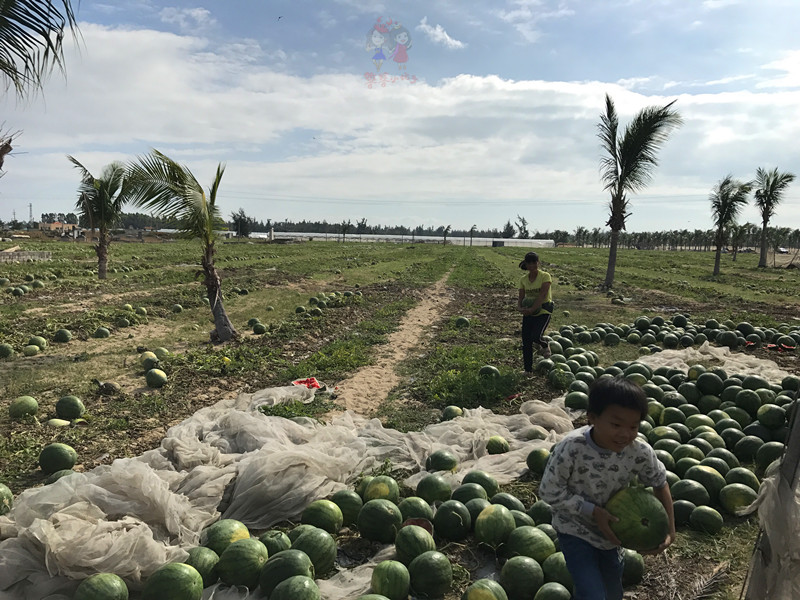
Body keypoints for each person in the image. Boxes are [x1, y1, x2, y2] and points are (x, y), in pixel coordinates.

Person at [538, 377, 676, 600]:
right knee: (592, 593)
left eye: (633, 426)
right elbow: (548, 491)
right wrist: (592, 511)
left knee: (612, 591)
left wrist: (669, 529)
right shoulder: (572, 448)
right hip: (575, 529)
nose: (625, 434)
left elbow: (660, 482)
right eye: (616, 425)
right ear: (592, 418)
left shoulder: (638, 451)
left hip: (613, 535)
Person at [517, 251, 553, 374]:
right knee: (526, 341)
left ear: (538, 263)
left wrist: (532, 309)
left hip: (543, 309)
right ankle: (528, 370)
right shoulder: (523, 279)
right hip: (529, 311)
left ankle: (544, 344)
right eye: (529, 263)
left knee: (535, 336)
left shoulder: (545, 276)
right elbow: (521, 296)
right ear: (526, 264)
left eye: (534, 262)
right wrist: (520, 308)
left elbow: (542, 295)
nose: (532, 265)